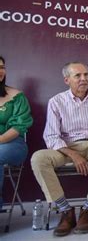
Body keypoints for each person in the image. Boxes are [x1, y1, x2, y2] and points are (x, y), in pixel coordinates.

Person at [31, 62, 88, 236]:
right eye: (78, 76)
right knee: (38, 158)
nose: (84, 79)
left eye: (86, 75)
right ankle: (66, 211)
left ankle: (87, 208)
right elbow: (51, 136)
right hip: (66, 148)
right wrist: (73, 154)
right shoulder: (57, 101)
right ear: (67, 80)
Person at [0, 56, 33, 211]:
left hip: (12, 144)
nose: (0, 71)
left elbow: (19, 127)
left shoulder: (16, 96)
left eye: (2, 67)